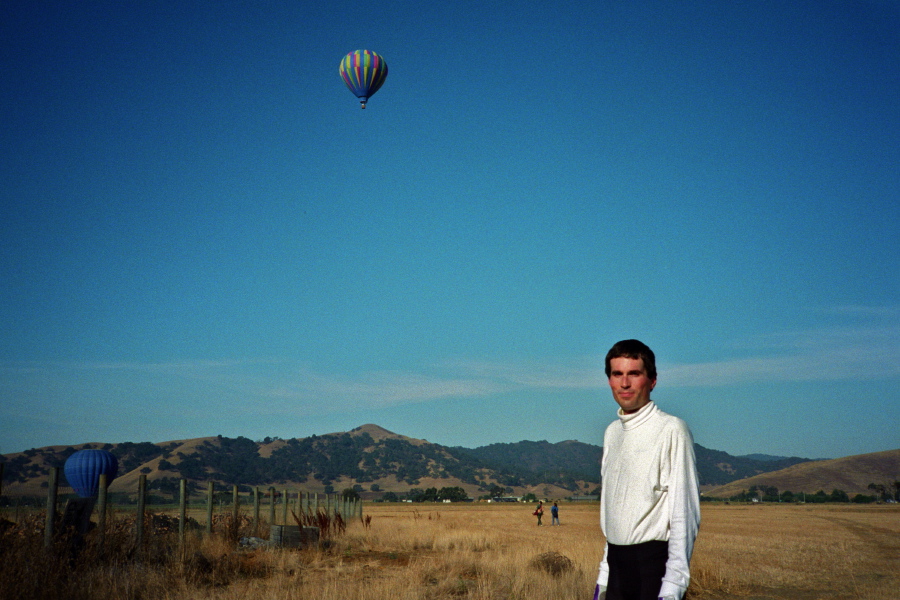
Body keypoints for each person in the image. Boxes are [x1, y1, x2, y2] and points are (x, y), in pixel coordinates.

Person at [594, 339, 701, 600]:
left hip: (653, 568)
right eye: (617, 374)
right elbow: (614, 512)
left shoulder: (671, 429)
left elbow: (684, 514)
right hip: (617, 568)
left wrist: (673, 586)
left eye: (634, 373)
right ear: (609, 380)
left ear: (652, 380)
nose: (625, 383)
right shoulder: (612, 433)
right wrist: (604, 577)